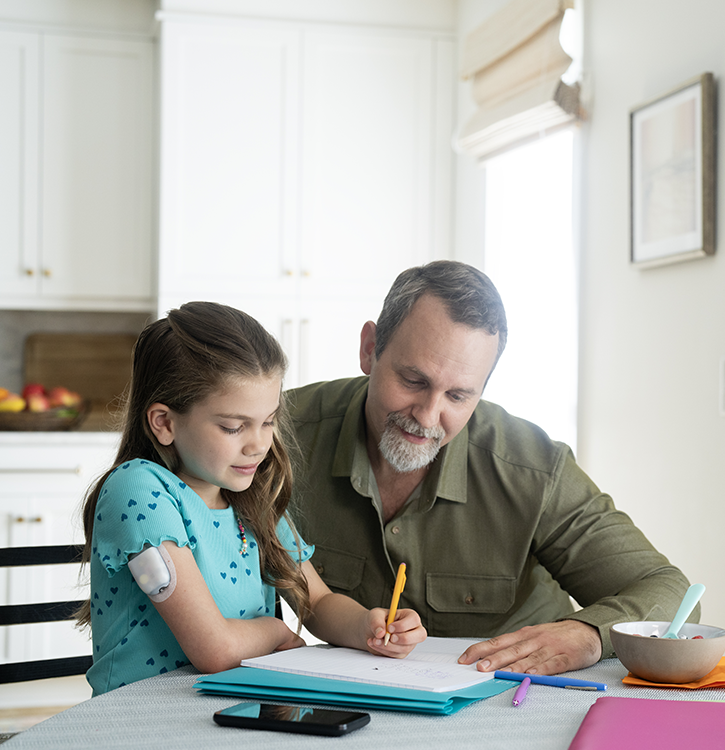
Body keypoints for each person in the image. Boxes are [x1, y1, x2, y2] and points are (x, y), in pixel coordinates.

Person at [287, 261, 697, 677]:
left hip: (517, 700)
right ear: (369, 349)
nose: (429, 417)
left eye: (459, 395)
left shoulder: (533, 468)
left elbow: (672, 592)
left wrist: (587, 635)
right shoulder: (276, 437)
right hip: (356, 700)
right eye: (413, 381)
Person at [77, 301, 425, 695]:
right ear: (165, 423)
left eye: (269, 421)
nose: (259, 445)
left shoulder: (252, 501)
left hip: (226, 710)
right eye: (232, 427)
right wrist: (276, 631)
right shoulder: (138, 490)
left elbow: (318, 603)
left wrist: (368, 626)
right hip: (142, 718)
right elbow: (214, 649)